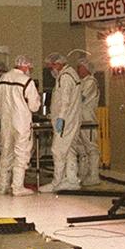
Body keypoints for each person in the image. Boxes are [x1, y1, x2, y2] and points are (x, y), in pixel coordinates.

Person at [0, 55, 41, 196]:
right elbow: (34, 107)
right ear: (26, 66)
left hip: (5, 121)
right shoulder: (26, 81)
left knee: (6, 152)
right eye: (29, 67)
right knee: (21, 153)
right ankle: (17, 187)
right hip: (21, 122)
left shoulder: (3, 79)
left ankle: (3, 185)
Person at [41, 53, 83, 193]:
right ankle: (71, 179)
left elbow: (65, 101)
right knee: (70, 150)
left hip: (65, 121)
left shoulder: (65, 77)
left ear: (57, 64)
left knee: (57, 151)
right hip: (71, 120)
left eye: (51, 66)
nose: (51, 69)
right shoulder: (70, 74)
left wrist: (61, 118)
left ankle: (56, 182)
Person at [76, 58, 101, 186]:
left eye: (80, 67)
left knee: (91, 148)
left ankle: (94, 175)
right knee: (81, 149)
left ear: (87, 68)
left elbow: (81, 98)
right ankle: (82, 174)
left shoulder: (91, 82)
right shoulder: (81, 82)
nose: (78, 69)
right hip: (79, 120)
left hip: (88, 119)